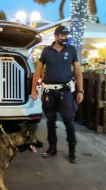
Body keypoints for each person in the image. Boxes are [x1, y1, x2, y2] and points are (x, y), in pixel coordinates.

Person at [31, 26, 83, 164]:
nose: (65, 38)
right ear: (56, 36)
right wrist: (33, 89)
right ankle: (52, 148)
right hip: (49, 91)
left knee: (68, 120)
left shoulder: (71, 50)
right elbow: (37, 72)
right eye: (62, 35)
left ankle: (72, 151)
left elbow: (77, 71)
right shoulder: (46, 51)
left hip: (65, 91)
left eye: (66, 35)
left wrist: (80, 90)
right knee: (50, 120)